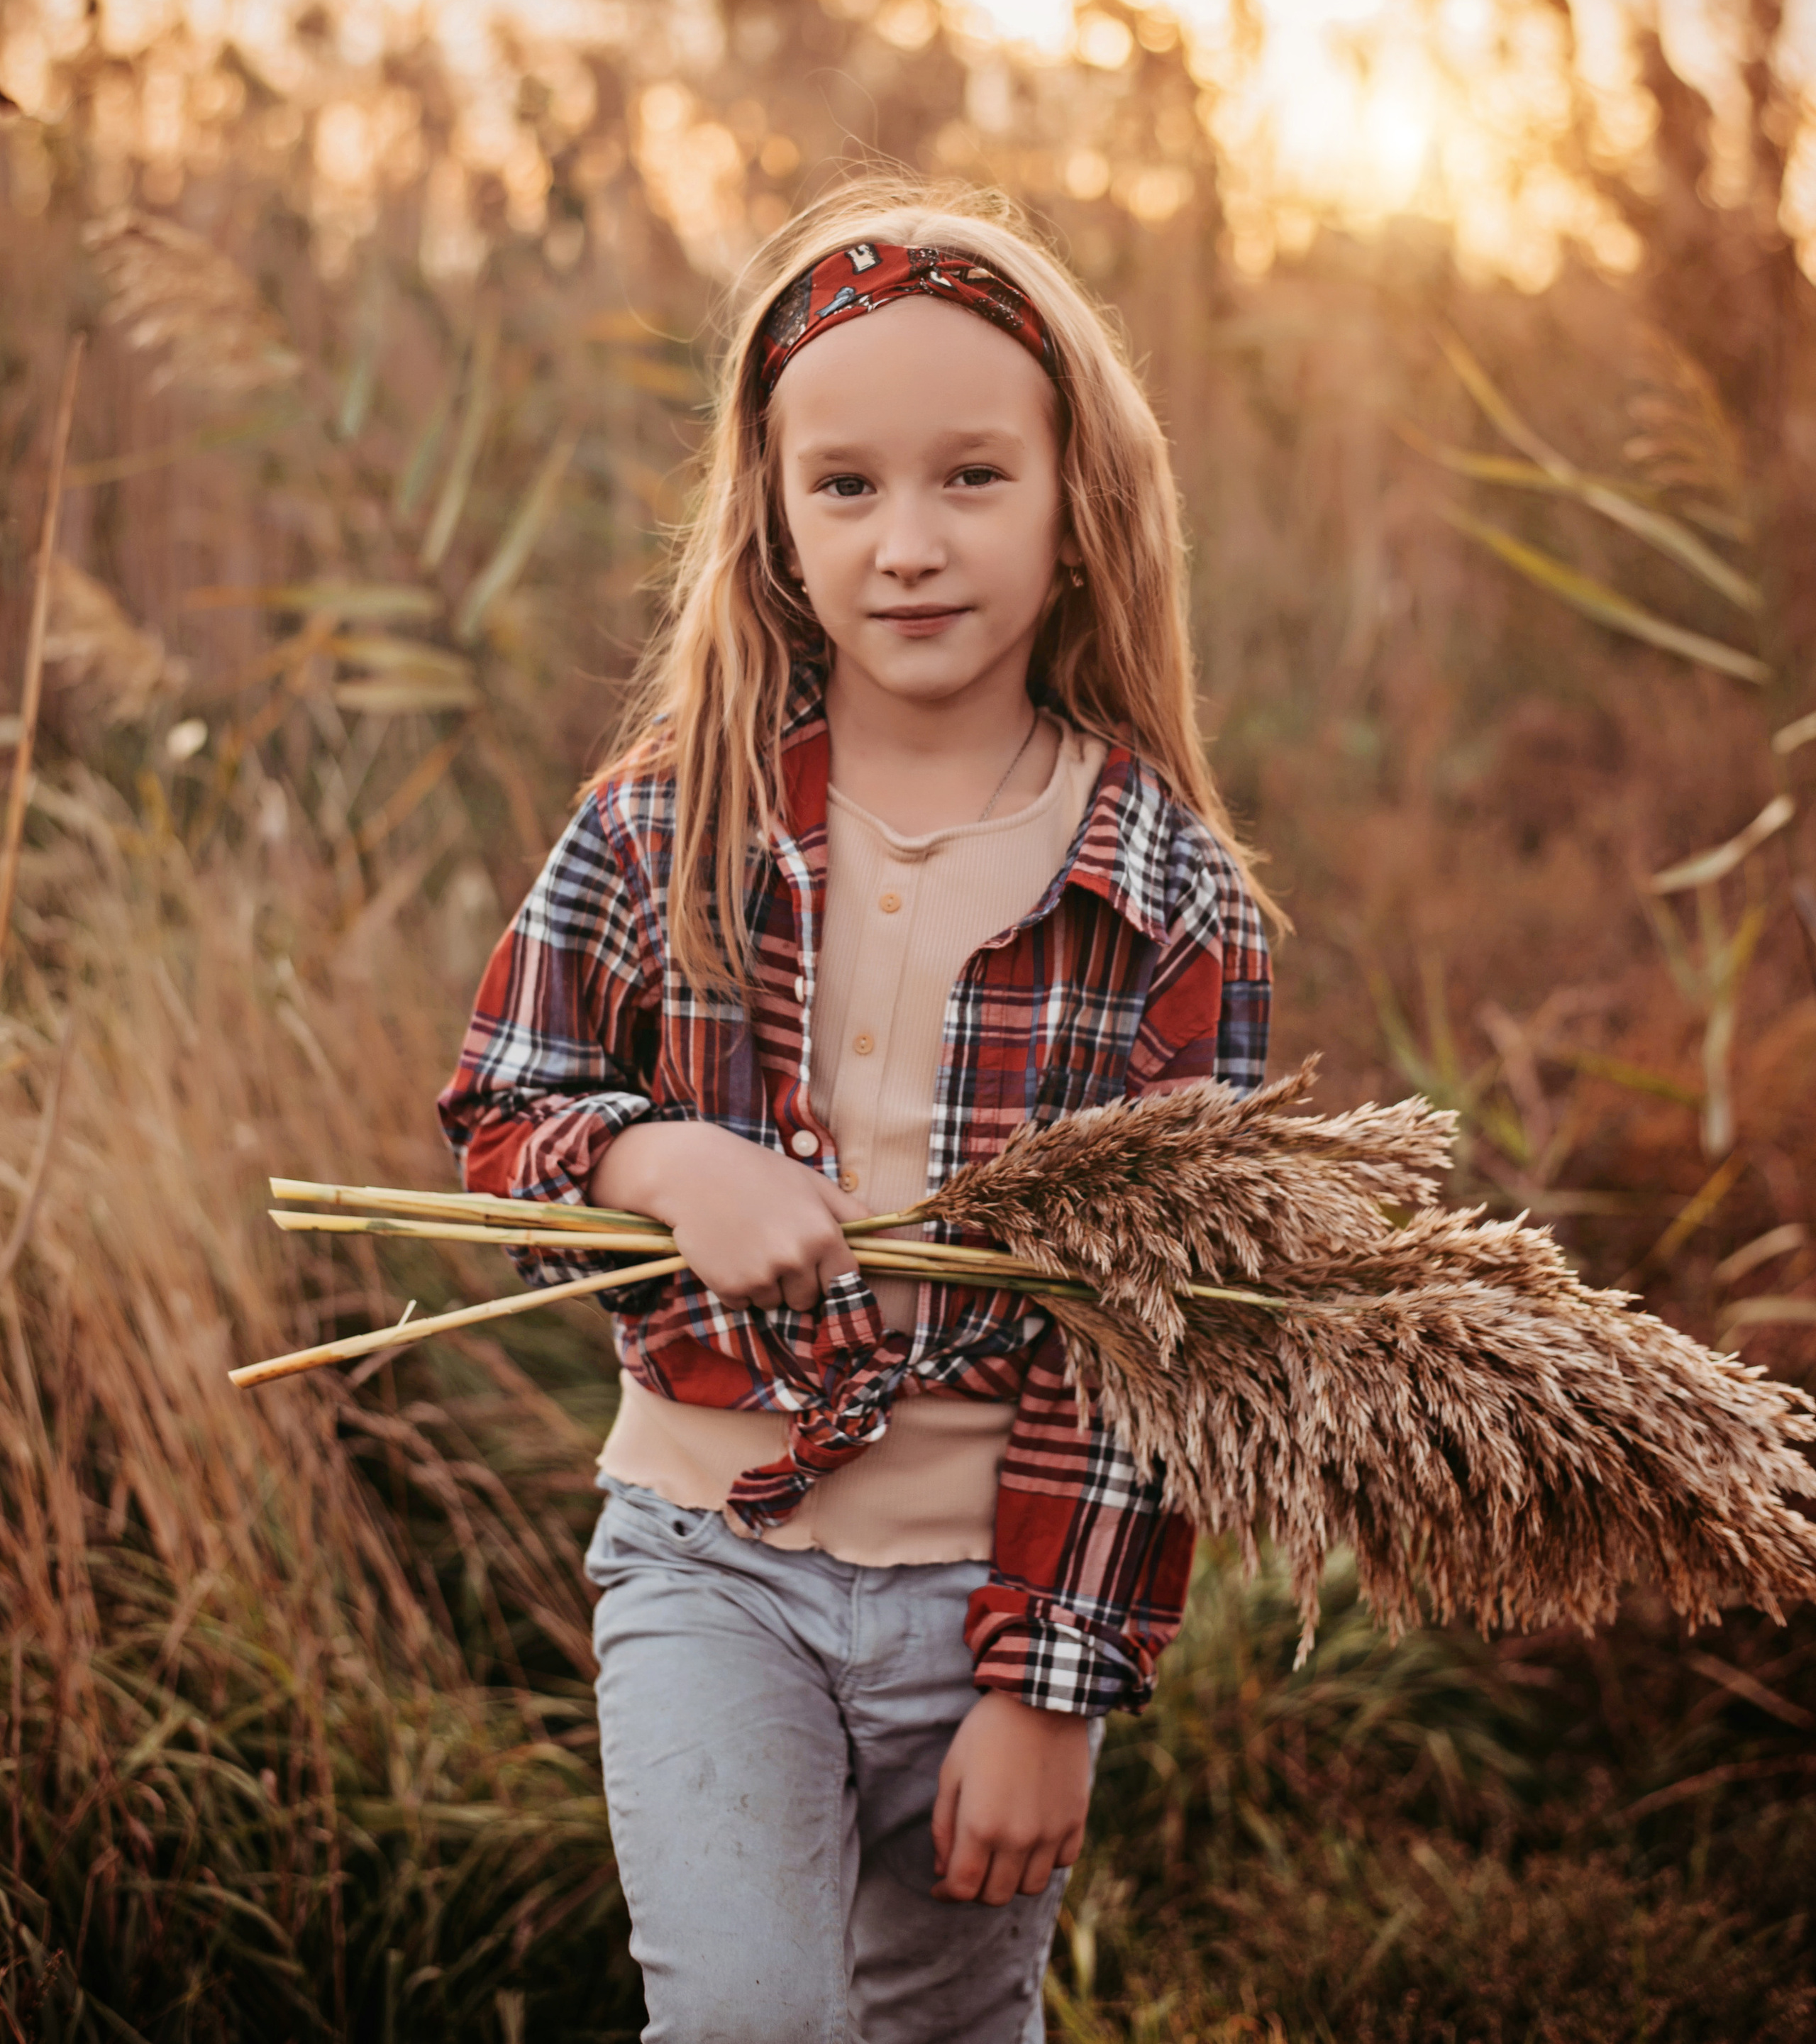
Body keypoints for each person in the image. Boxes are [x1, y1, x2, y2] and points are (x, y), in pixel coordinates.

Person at [439, 187, 1272, 2044]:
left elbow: (1165, 1342)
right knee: (746, 2015)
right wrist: (658, 1159)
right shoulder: (666, 825)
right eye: (847, 486)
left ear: (1078, 511)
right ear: (773, 519)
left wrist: (1049, 1688)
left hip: (993, 1588)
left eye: (972, 477)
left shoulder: (1165, 889)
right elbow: (502, 1109)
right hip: (707, 1554)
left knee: (947, 2023)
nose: (907, 543)